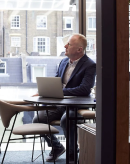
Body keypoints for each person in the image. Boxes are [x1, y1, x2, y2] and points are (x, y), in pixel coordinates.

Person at [32, 34, 96, 162]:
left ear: (79, 49)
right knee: (38, 119)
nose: (65, 46)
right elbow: (56, 81)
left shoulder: (90, 65)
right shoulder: (63, 62)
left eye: (69, 44)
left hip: (77, 106)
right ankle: (57, 147)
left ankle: (72, 154)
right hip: (60, 104)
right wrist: (46, 90)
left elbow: (84, 89)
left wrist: (60, 92)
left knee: (66, 121)